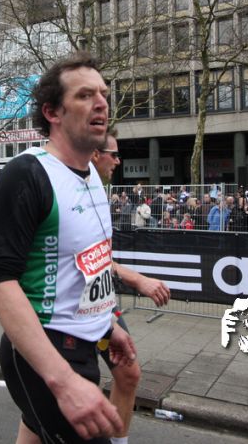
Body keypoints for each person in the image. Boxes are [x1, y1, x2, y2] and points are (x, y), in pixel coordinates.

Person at [0, 53, 138, 443]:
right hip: (45, 350)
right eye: (85, 95)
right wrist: (63, 381)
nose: (101, 103)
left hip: (88, 338)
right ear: (52, 112)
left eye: (103, 94)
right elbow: (0, 284)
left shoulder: (92, 176)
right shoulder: (26, 173)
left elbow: (88, 268)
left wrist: (108, 325)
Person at [91, 133, 171, 443]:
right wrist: (136, 279)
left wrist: (133, 277)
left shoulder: (99, 191)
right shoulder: (72, 189)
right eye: (113, 154)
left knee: (128, 374)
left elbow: (98, 257)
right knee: (65, 395)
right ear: (95, 154)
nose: (118, 160)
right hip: (73, 311)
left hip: (102, 304)